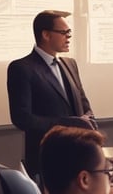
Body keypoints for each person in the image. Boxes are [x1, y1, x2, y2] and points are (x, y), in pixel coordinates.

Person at [7, 10, 96, 177]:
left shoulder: (70, 63)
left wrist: (89, 121)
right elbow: (22, 118)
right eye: (64, 32)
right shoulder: (22, 68)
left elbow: (83, 102)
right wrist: (69, 123)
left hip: (79, 153)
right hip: (47, 157)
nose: (69, 37)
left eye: (69, 32)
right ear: (46, 35)